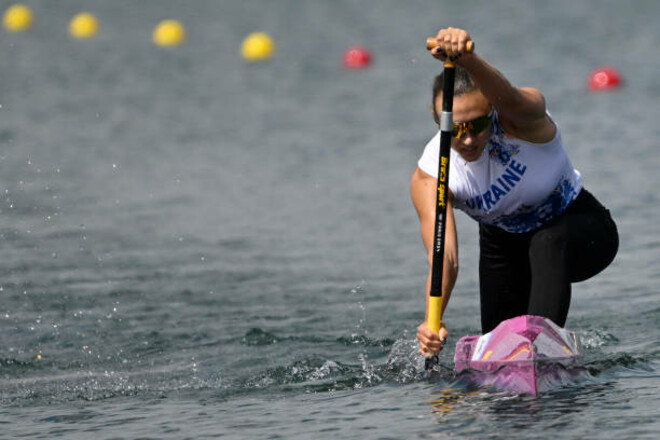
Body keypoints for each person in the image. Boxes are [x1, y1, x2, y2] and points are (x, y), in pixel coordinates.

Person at [412, 27, 619, 357]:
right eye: (455, 129)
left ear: (491, 111)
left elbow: (508, 95)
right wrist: (431, 323)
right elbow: (445, 256)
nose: (467, 139)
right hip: (503, 249)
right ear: (439, 124)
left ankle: (542, 349)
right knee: (499, 353)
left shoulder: (521, 119)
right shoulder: (432, 175)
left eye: (478, 124)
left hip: (580, 230)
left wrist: (468, 59)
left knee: (547, 242)